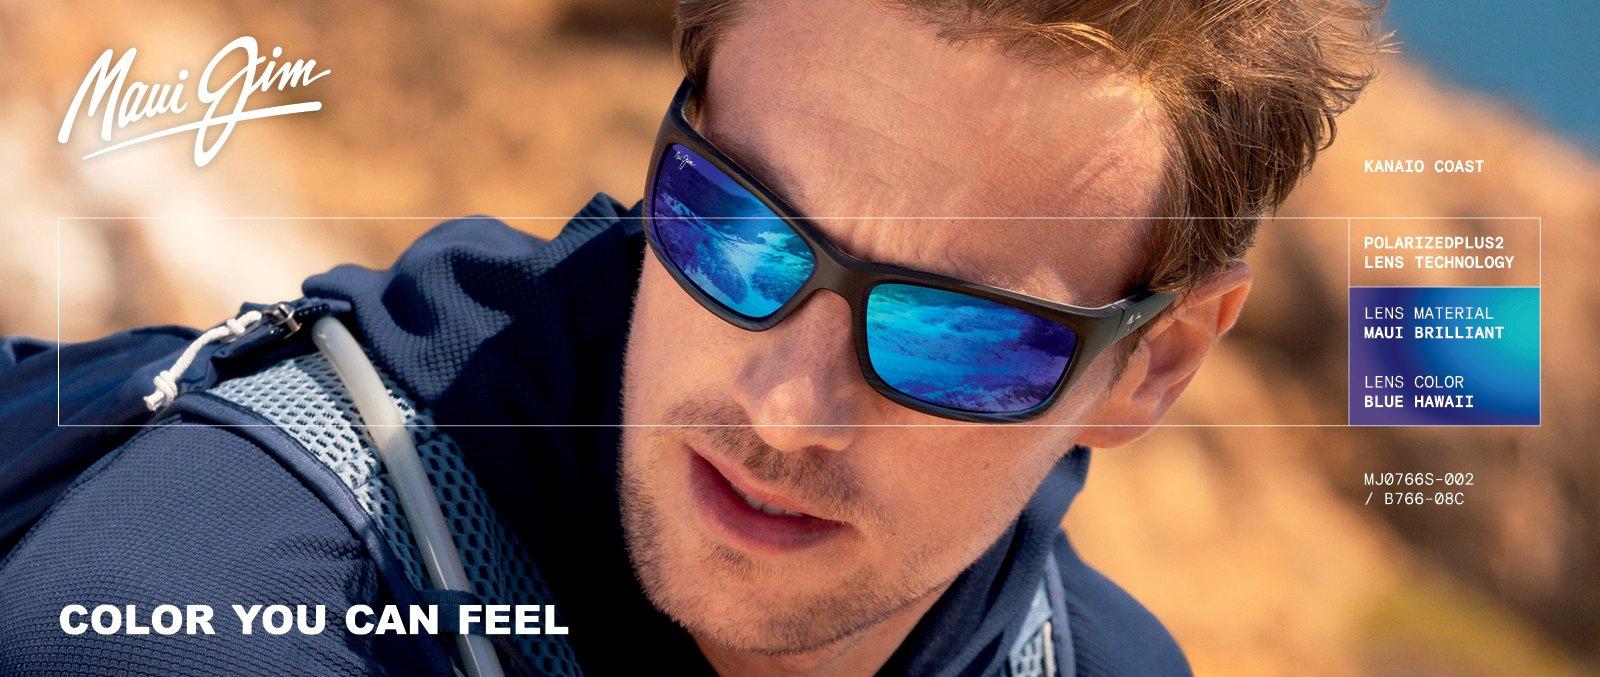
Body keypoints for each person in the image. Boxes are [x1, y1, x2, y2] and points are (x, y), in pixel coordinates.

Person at [0, 0, 1382, 674]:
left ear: (1154, 363)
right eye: (733, 228)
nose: (786, 409)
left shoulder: (1099, 664)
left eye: (958, 337)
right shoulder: (214, 620)